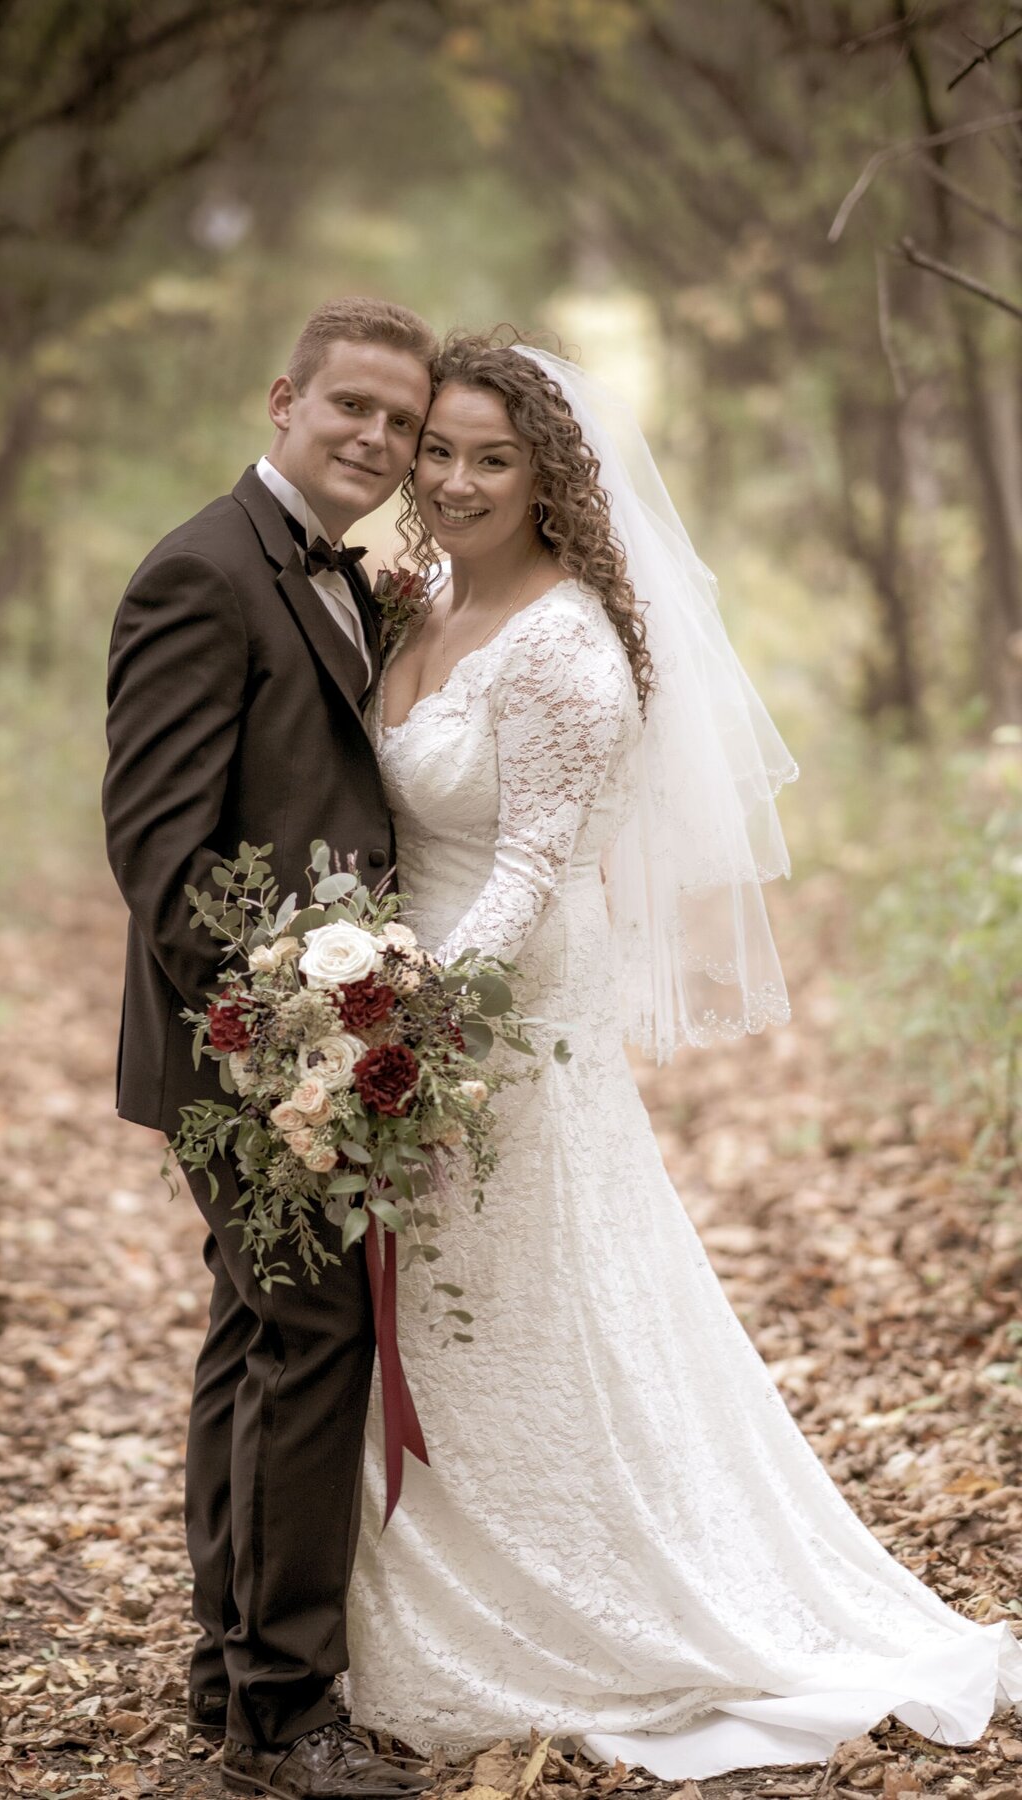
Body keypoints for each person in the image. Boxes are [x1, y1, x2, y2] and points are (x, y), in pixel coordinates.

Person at [344, 332, 1022, 1782]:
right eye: (438, 450)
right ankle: (409, 1588)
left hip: (500, 1014)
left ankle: (590, 1608)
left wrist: (402, 1031)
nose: (454, 480)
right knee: (432, 1311)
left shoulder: (574, 646)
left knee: (514, 1299)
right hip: (405, 988)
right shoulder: (424, 599)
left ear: (552, 473)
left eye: (491, 457)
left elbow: (529, 874)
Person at [102, 297, 437, 1800]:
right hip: (250, 1056)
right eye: (350, 407)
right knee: (314, 1344)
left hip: (294, 1040)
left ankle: (227, 1669)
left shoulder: (338, 574)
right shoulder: (202, 569)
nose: (373, 438)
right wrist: (281, 1042)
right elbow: (164, 859)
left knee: (258, 1339)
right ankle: (286, 1719)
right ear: (284, 396)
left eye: (403, 426)